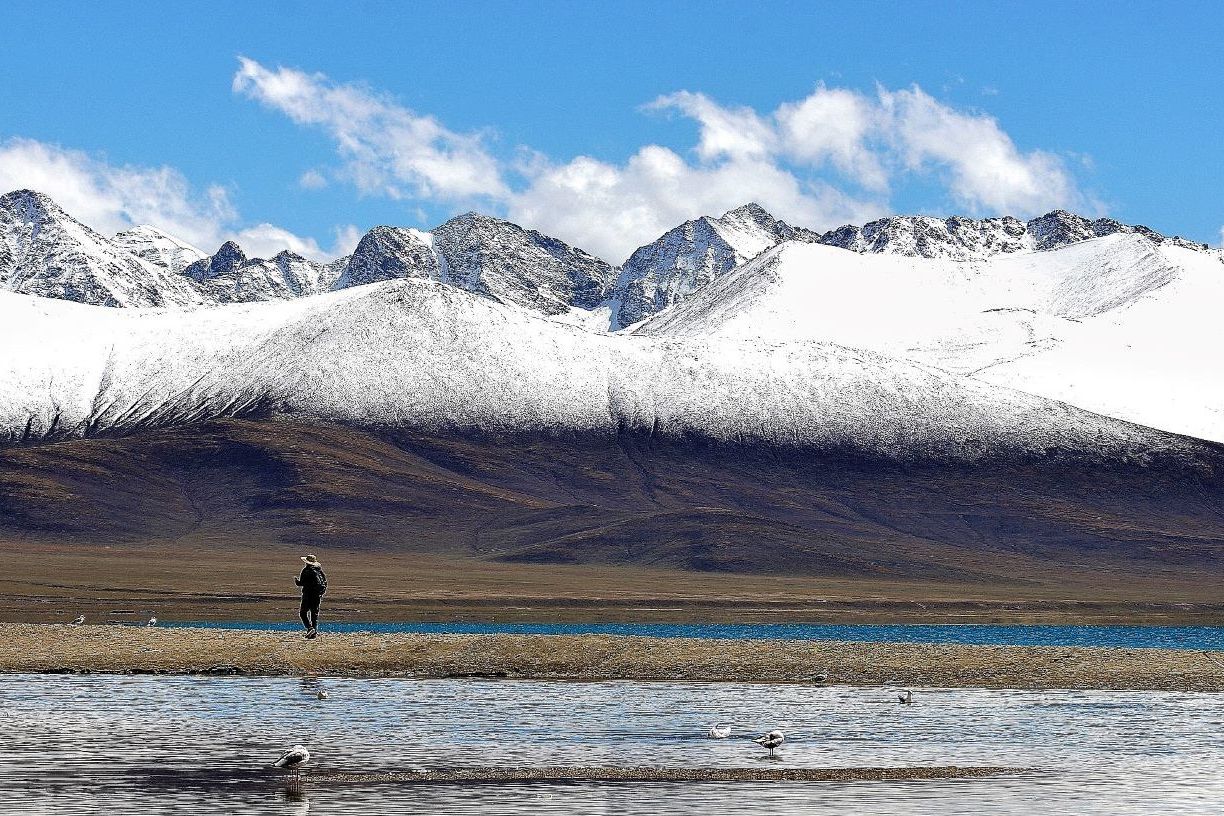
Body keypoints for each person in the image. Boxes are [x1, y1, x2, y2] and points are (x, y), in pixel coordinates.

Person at [295, 554, 327, 639]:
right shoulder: (319, 571)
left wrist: (297, 582)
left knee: (303, 613)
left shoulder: (306, 571)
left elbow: (302, 583)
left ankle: (310, 628)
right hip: (318, 595)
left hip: (308, 594)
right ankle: (314, 632)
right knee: (314, 613)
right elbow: (325, 582)